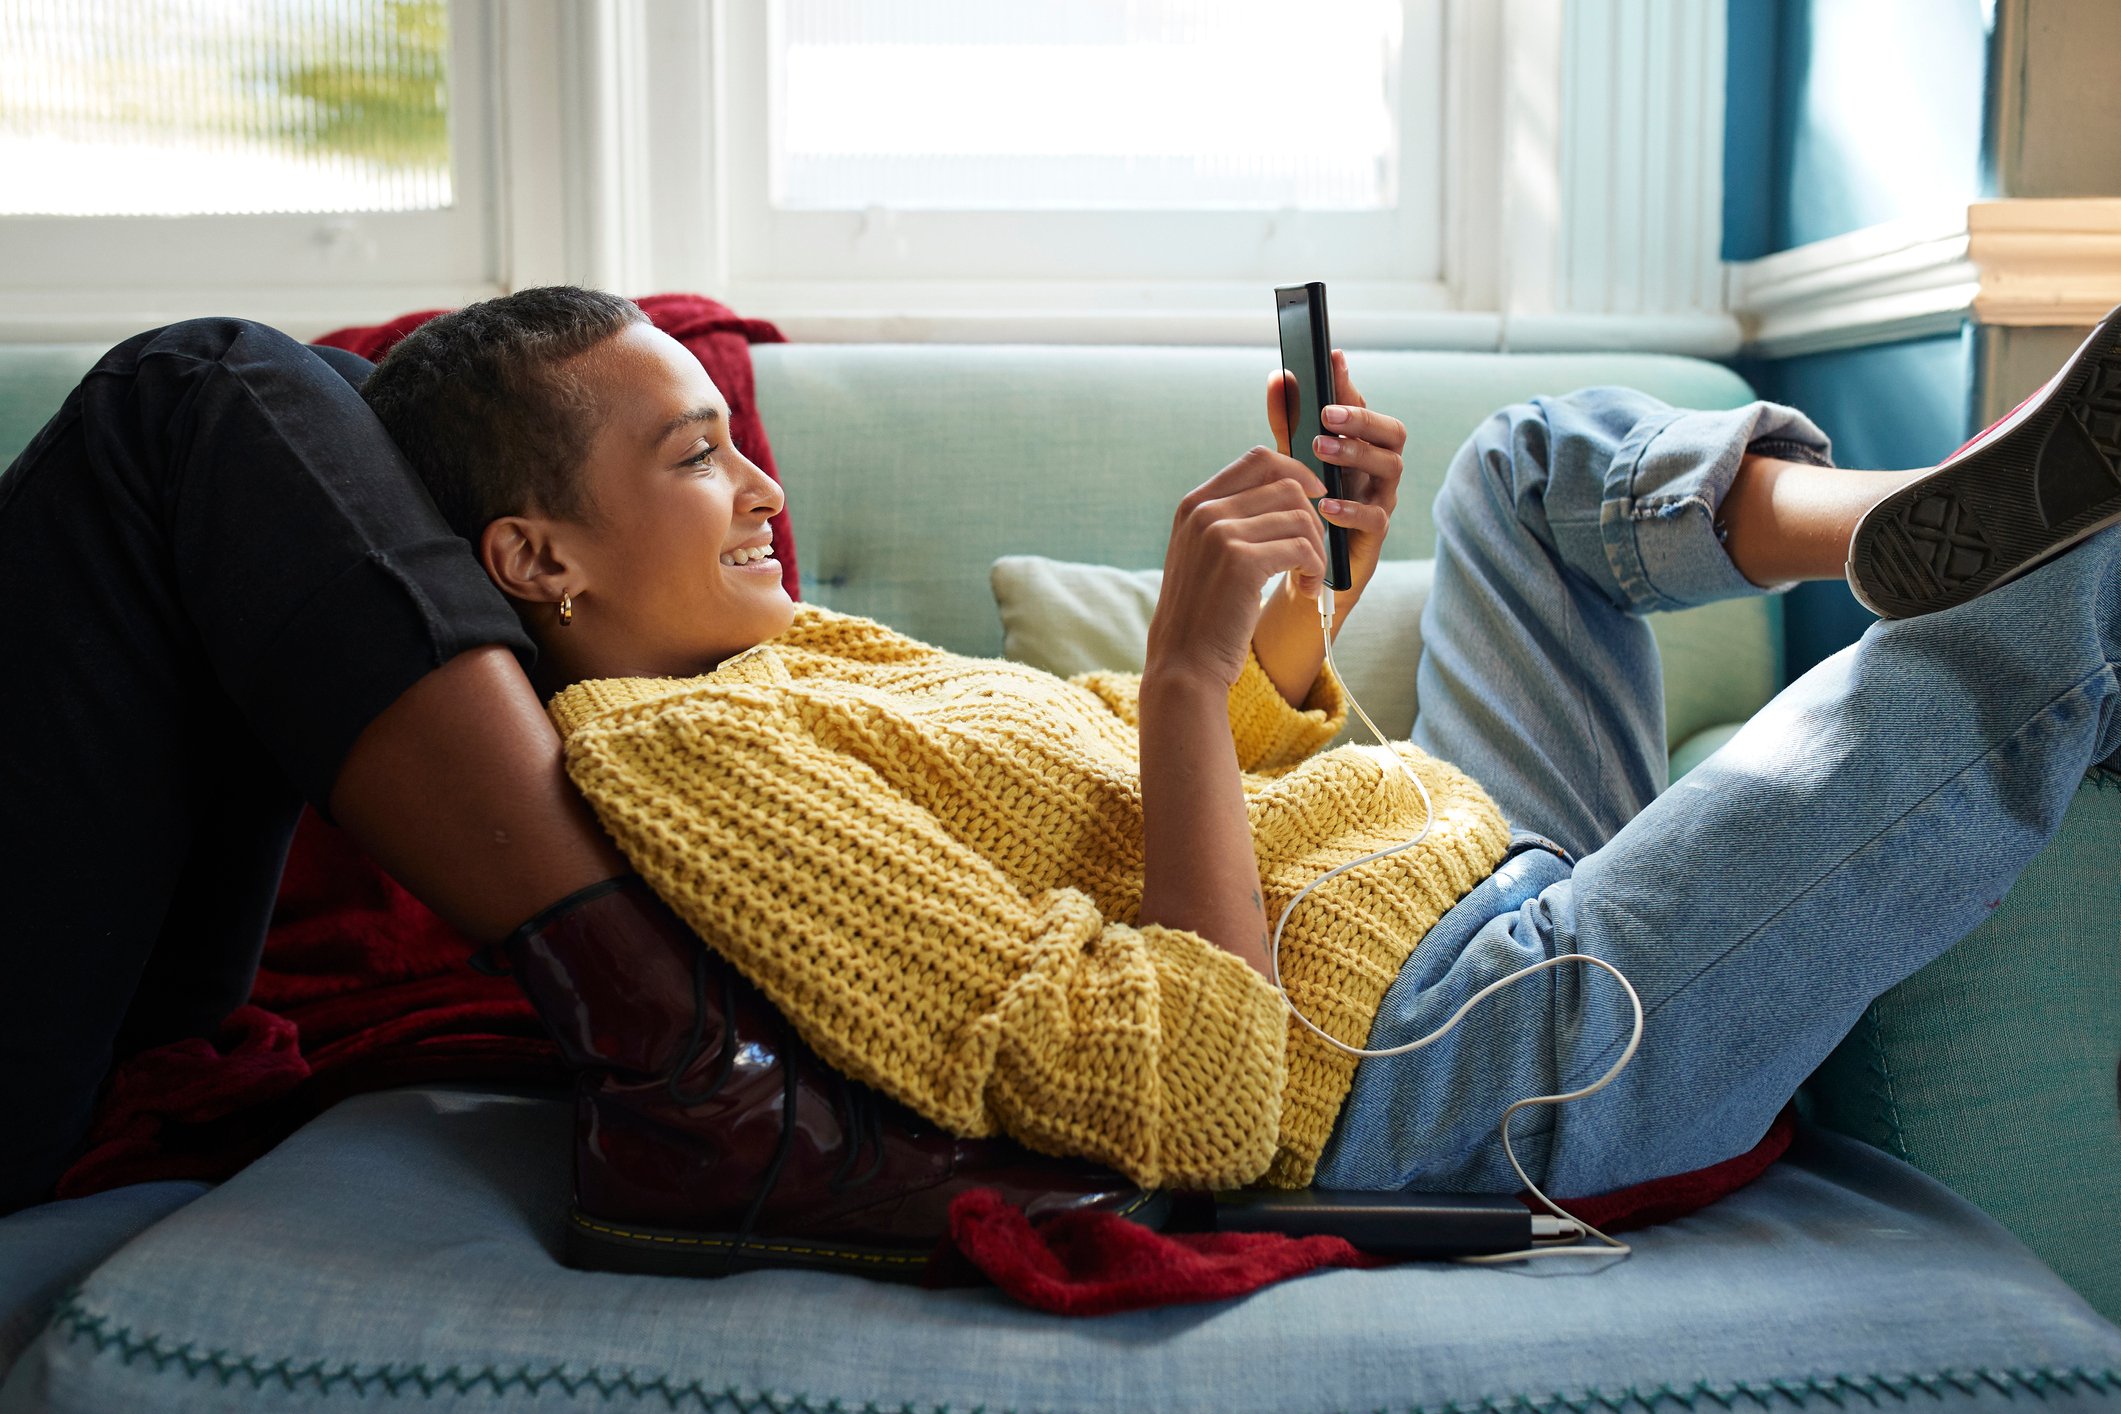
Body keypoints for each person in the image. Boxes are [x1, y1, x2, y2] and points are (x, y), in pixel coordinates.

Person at [4, 290, 2117, 1282]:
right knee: (2046, 627)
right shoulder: (680, 751)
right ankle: (2012, 571)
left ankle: (1897, 508)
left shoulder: (796, 658)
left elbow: (1274, 803)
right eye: (688, 455)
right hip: (1480, 1056)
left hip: (1474, 877)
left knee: (1524, 468)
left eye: (732, 443)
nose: (756, 481)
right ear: (534, 566)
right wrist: (1183, 682)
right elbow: (1192, 1092)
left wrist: (1289, 628)